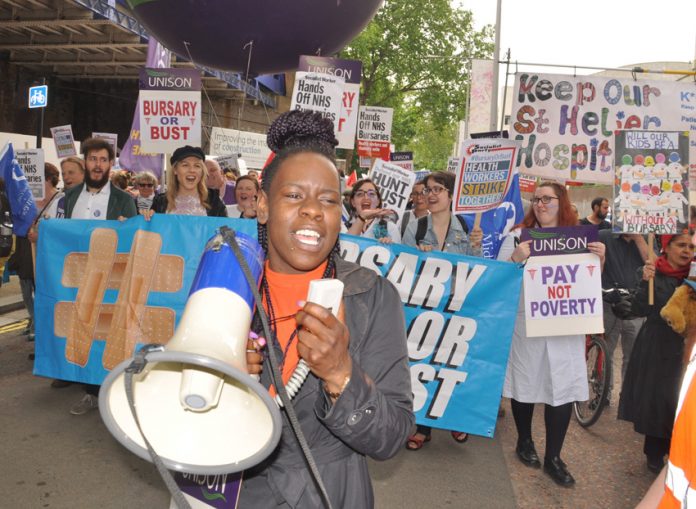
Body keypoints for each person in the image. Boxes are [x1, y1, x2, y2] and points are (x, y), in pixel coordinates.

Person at [239, 109, 413, 507]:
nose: (313, 210)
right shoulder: (227, 288)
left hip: (330, 493)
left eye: (329, 200)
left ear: (340, 214)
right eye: (295, 195)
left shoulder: (370, 295)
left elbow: (391, 436)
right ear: (263, 205)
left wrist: (340, 374)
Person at [497, 181, 605, 487]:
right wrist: (515, 259)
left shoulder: (582, 240)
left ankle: (554, 457)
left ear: (563, 202)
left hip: (564, 327)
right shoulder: (517, 237)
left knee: (562, 390)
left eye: (548, 198)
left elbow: (589, 286)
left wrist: (600, 260)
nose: (541, 204)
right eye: (536, 199)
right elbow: (496, 280)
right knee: (526, 384)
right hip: (528, 325)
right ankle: (524, 441)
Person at [401, 170, 483, 450]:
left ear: (450, 195)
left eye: (438, 190)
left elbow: (478, 270)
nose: (431, 195)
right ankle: (422, 426)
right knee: (425, 365)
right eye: (428, 190)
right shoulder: (417, 227)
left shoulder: (465, 227)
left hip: (457, 310)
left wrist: (476, 247)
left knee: (453, 363)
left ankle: (455, 419)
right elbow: (403, 268)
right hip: (425, 308)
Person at [58, 137, 138, 415]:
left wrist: (125, 229)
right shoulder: (68, 197)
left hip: (111, 279)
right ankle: (91, 392)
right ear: (85, 162)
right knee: (82, 330)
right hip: (77, 277)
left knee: (108, 333)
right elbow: (60, 234)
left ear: (111, 164)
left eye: (103, 159)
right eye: (93, 159)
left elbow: (132, 241)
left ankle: (115, 389)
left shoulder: (124, 200)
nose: (98, 164)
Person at [618, 233, 694, 474]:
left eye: (691, 247)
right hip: (658, 345)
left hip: (687, 346)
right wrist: (644, 282)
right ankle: (655, 452)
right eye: (681, 245)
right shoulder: (652, 273)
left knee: (682, 400)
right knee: (660, 400)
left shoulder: (692, 278)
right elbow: (638, 309)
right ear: (666, 247)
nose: (687, 251)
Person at [598, 230, 650, 403]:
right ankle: (602, 393)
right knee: (605, 351)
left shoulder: (647, 239)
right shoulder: (604, 236)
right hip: (608, 303)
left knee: (633, 354)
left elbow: (655, 264)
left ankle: (627, 397)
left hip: (636, 305)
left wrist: (639, 239)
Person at [145, 146, 226, 217]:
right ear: (175, 170)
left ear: (202, 171)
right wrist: (148, 218)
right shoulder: (160, 202)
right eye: (185, 165)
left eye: (197, 166)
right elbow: (153, 231)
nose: (192, 170)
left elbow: (226, 231)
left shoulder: (214, 200)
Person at [345, 178, 401, 243]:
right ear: (353, 202)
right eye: (360, 194)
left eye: (371, 194)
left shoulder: (390, 228)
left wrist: (390, 248)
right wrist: (362, 217)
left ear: (378, 201)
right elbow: (344, 247)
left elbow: (397, 252)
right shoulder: (342, 227)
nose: (366, 197)